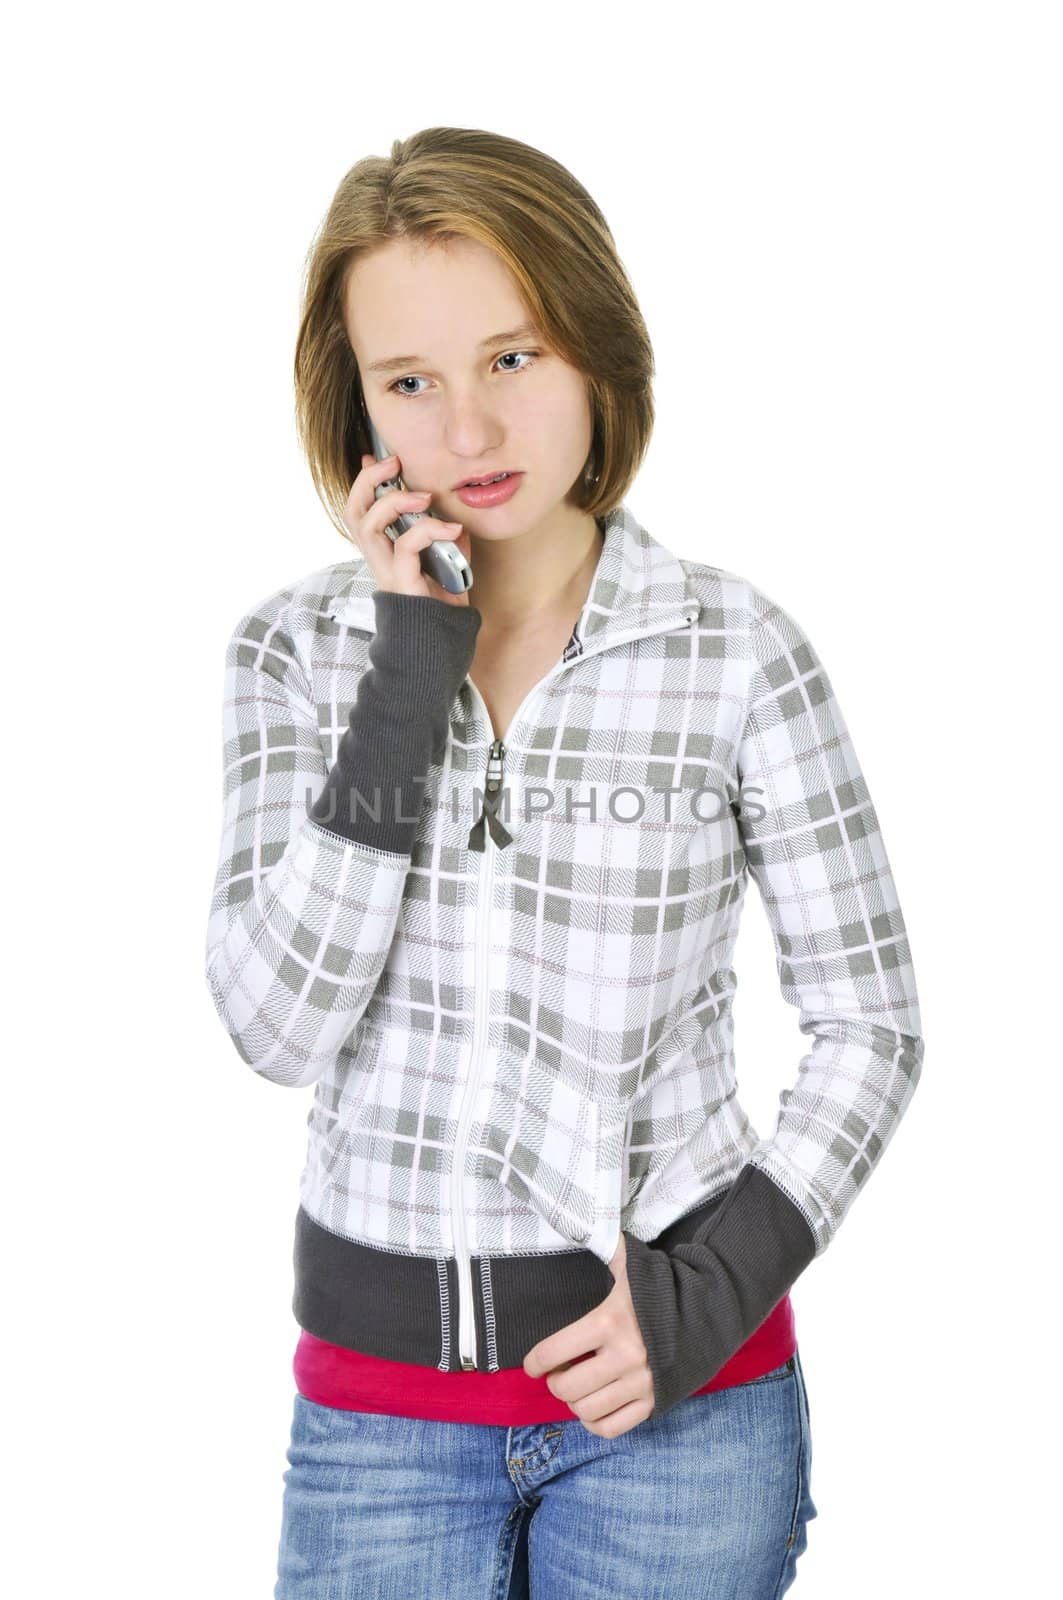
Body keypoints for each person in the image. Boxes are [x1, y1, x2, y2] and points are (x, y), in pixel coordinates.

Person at [203, 126, 924, 1599]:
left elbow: (872, 1024)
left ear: (597, 356)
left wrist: (706, 1295)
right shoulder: (294, 653)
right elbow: (275, 1026)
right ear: (360, 415)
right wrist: (411, 672)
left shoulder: (739, 654)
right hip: (379, 1434)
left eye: (512, 359)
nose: (466, 432)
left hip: (687, 1419)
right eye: (411, 383)